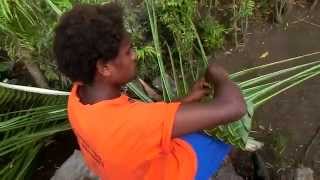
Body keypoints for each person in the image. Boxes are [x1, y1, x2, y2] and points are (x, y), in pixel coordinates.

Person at [53, 2, 246, 180]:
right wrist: (217, 74)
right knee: (223, 136)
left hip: (123, 171)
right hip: (169, 172)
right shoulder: (133, 123)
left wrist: (186, 100)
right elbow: (234, 107)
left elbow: (145, 125)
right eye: (128, 51)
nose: (135, 56)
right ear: (104, 67)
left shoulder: (77, 97)